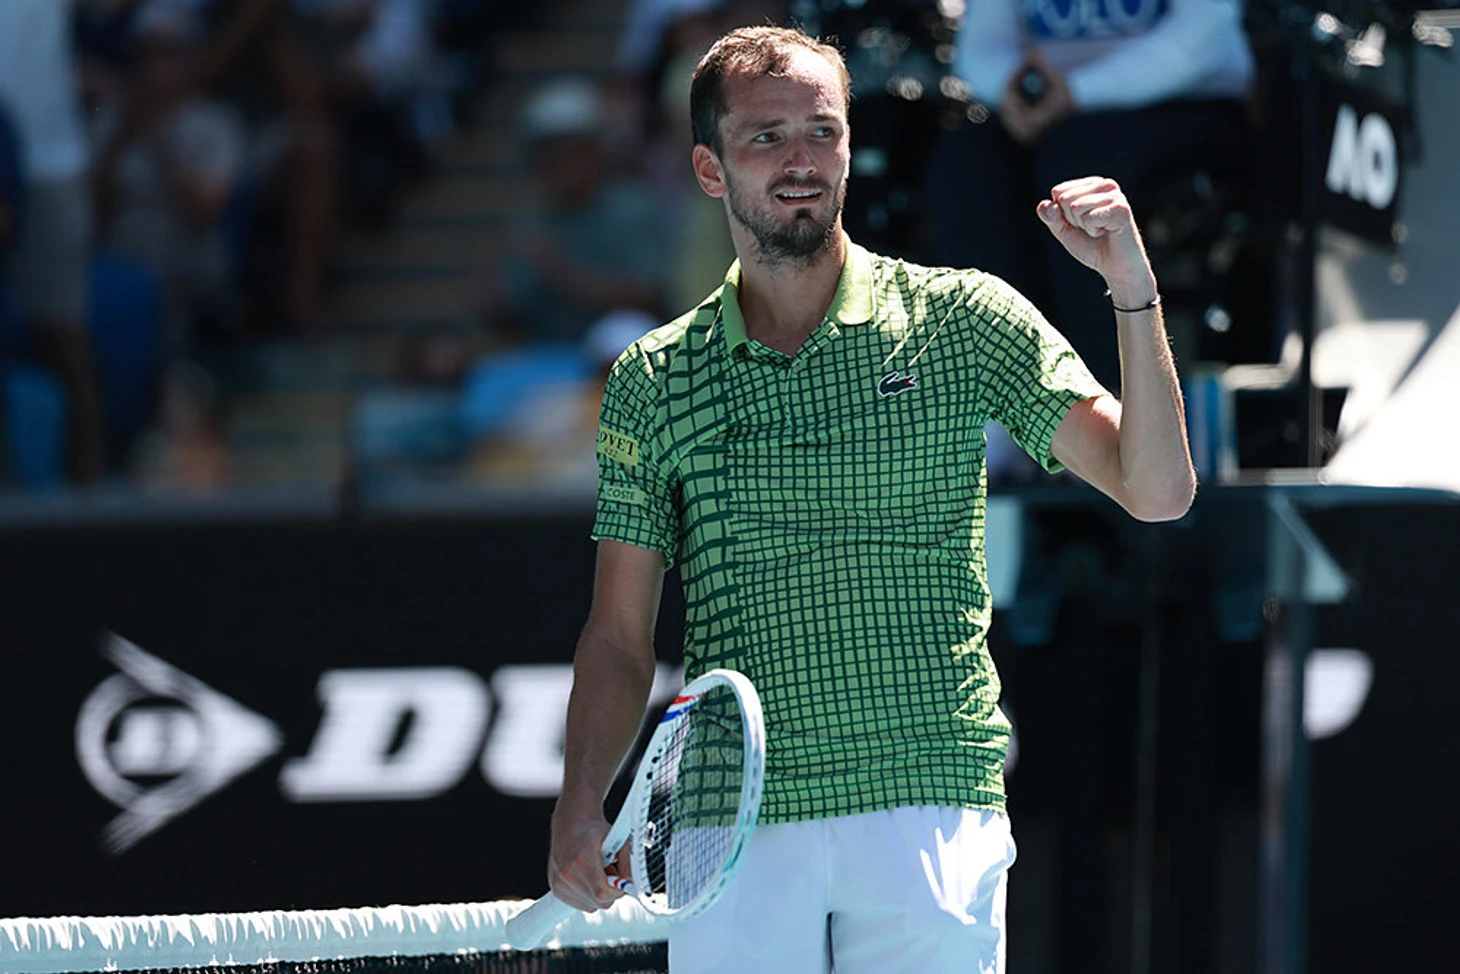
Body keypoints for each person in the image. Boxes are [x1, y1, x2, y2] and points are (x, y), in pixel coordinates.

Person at [543, 25, 1194, 973]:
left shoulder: (963, 318)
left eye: (823, 131)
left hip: (929, 796)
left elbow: (1158, 490)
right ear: (710, 169)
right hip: (730, 821)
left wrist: (1133, 292)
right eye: (766, 138)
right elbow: (617, 634)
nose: (801, 161)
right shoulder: (651, 378)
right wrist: (577, 799)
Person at [924, 0, 1255, 392]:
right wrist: (1010, 88)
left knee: (1075, 170)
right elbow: (981, 42)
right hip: (1046, 111)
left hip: (1183, 103)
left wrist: (1078, 92)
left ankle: (1107, 401)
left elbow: (1204, 34)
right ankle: (996, 398)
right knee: (968, 161)